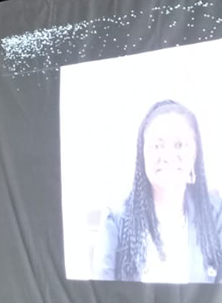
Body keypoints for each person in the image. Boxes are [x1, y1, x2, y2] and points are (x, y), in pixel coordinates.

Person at [92, 99, 222, 283]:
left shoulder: (216, 216)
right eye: (157, 146)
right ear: (142, 153)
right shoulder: (116, 220)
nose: (168, 157)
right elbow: (99, 299)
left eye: (179, 145)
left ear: (194, 153)